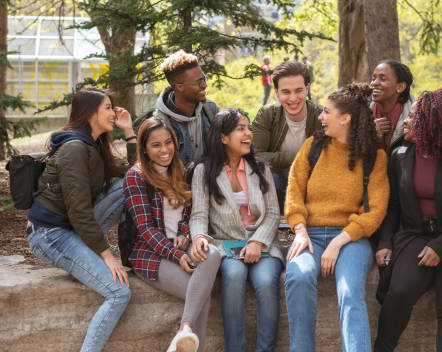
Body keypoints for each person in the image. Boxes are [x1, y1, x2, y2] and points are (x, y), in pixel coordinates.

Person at [374, 89, 442, 352]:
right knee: (399, 292)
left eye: (413, 117)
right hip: (416, 234)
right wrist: (385, 241)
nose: (406, 121)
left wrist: (440, 247)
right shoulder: (400, 154)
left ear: (432, 124)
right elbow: (394, 205)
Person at [26, 87, 135, 352]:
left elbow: (135, 175)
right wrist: (107, 257)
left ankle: (133, 255)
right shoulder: (75, 148)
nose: (113, 112)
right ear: (89, 113)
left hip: (69, 228)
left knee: (130, 184)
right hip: (51, 235)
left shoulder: (93, 145)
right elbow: (79, 212)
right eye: (107, 107)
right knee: (119, 292)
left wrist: (130, 133)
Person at [284, 83, 390, 352]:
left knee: (349, 290)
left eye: (326, 112)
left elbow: (375, 212)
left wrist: (339, 242)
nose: (321, 116)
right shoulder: (313, 147)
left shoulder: (374, 157)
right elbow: (293, 191)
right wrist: (299, 230)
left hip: (351, 239)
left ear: (346, 118)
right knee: (298, 276)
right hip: (310, 235)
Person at [123, 117, 221, 352]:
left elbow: (190, 213)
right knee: (200, 293)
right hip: (150, 254)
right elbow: (145, 229)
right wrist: (177, 255)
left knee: (213, 254)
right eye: (156, 145)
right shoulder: (136, 177)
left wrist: (185, 233)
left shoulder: (182, 170)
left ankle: (183, 331)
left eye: (168, 142)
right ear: (144, 149)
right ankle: (187, 334)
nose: (164, 150)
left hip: (180, 245)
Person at [190, 109, 283, 352]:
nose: (248, 133)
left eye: (248, 128)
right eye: (240, 129)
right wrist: (199, 237)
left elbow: (273, 213)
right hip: (225, 243)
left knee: (265, 282)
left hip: (262, 243)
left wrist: (258, 242)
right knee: (233, 276)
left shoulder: (261, 167)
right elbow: (199, 215)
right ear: (223, 137)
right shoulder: (204, 171)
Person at [252, 61, 321, 212]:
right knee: (273, 181)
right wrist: (298, 156)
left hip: (312, 177)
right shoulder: (268, 115)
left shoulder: (320, 116)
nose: (293, 98)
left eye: (298, 90)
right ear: (276, 92)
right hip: (276, 176)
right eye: (286, 92)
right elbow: (255, 155)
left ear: (307, 88)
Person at [154, 49, 219, 166]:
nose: (204, 85)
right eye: (198, 82)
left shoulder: (211, 110)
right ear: (179, 87)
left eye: (204, 78)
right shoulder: (161, 121)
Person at [370, 60, 414, 152]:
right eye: (373, 79)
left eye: (382, 79)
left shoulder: (416, 119)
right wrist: (369, 134)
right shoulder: (361, 112)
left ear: (400, 87)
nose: (374, 83)